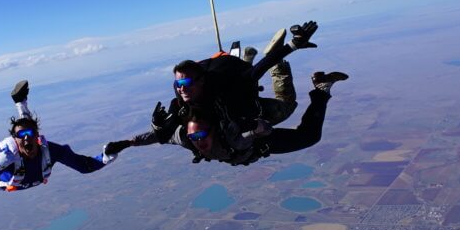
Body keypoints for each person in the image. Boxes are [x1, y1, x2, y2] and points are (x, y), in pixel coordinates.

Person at [123, 70, 347, 166]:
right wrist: (126, 143)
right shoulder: (185, 136)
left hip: (257, 136)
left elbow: (249, 134)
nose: (197, 140)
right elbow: (157, 136)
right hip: (254, 137)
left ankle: (319, 86)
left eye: (200, 134)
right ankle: (321, 87)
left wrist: (259, 130)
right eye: (194, 136)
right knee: (301, 128)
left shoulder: (227, 131)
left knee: (290, 112)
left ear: (212, 129)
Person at [0, 80, 129, 191]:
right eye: (20, 136)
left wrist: (106, 156)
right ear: (14, 140)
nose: (26, 138)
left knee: (26, 127)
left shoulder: (50, 151)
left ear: (37, 137)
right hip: (0, 176)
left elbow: (85, 166)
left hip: (25, 164)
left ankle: (21, 101)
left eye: (30, 135)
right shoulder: (5, 156)